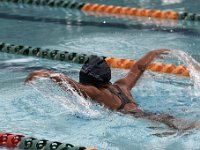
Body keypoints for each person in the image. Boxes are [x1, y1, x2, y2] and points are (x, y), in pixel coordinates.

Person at [25, 49, 198, 130]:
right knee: (171, 121)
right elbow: (138, 68)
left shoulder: (97, 92)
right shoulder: (122, 85)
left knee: (177, 127)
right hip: (144, 113)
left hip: (138, 118)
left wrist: (46, 73)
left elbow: (70, 84)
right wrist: (153, 52)